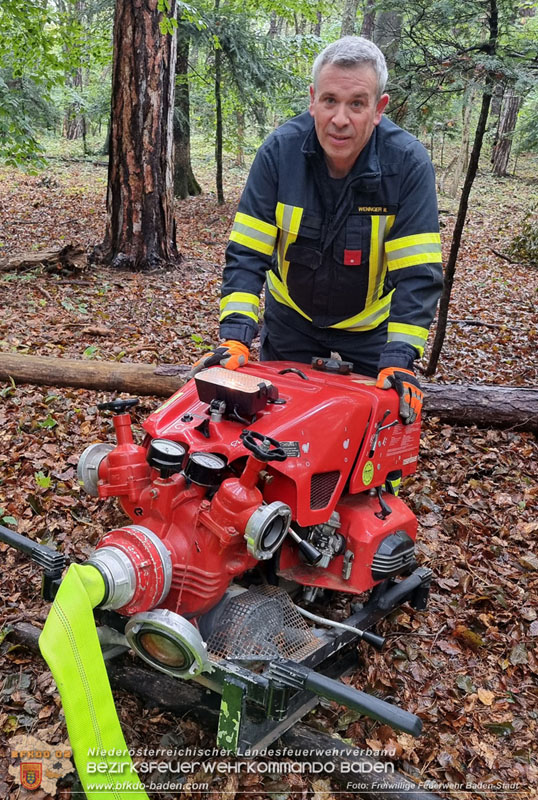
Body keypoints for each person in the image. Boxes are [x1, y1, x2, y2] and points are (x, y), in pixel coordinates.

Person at [192, 36, 443, 424]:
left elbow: (418, 274)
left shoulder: (406, 164)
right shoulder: (279, 153)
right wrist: (236, 335)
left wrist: (399, 358)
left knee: (363, 444)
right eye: (329, 101)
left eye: (356, 104)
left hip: (370, 332)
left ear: (379, 109)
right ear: (313, 100)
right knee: (271, 430)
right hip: (290, 322)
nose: (340, 119)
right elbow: (247, 253)